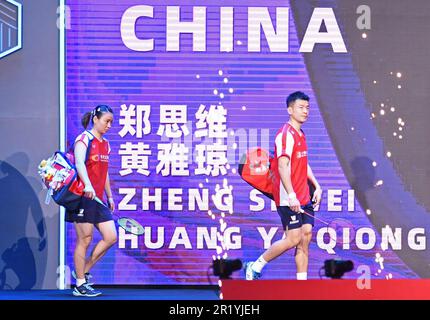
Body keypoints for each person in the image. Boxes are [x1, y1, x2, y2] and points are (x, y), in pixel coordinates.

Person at [245, 91, 322, 280]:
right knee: (292, 239)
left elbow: (302, 163)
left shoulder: (300, 134)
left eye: (307, 108)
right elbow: (282, 165)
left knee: (305, 238)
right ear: (290, 110)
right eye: (300, 107)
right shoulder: (285, 135)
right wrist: (292, 195)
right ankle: (255, 266)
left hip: (304, 194)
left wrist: (317, 186)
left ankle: (302, 285)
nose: (305, 111)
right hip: (289, 196)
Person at [66, 105, 117, 297]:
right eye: (107, 121)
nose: (109, 125)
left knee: (111, 236)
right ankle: (80, 285)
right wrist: (87, 185)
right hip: (81, 197)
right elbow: (79, 163)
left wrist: (109, 196)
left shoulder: (106, 144)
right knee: (85, 239)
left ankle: (82, 270)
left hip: (98, 199)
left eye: (111, 122)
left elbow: (104, 174)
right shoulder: (84, 139)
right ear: (95, 119)